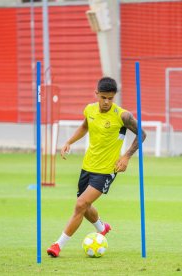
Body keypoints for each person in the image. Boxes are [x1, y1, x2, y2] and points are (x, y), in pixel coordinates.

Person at [46, 77, 146, 257]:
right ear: (96, 94)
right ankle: (102, 227)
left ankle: (57, 245)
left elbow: (142, 134)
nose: (106, 102)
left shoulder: (122, 116)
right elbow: (85, 126)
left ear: (114, 97)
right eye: (103, 97)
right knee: (85, 207)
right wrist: (69, 141)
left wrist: (126, 156)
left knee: (80, 204)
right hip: (87, 166)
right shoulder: (90, 109)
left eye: (110, 98)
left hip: (107, 170)